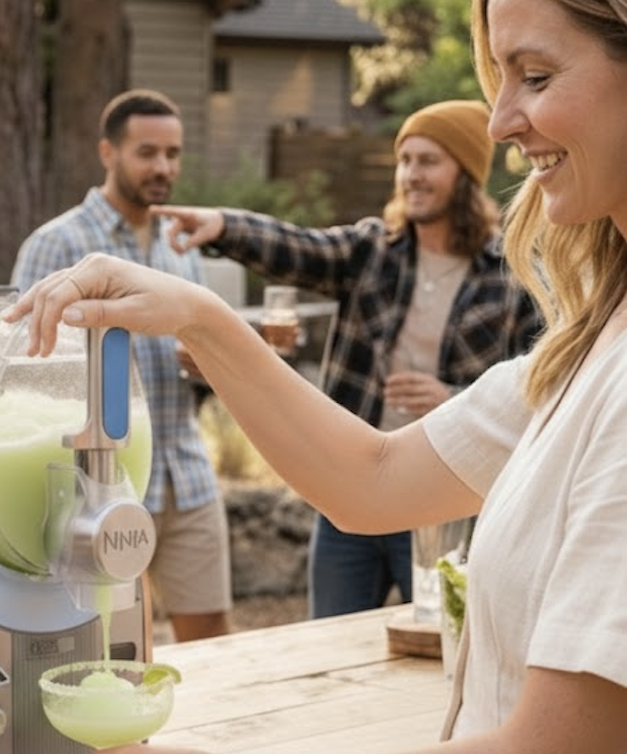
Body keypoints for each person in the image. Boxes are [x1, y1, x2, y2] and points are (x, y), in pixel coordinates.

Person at [6, 0, 627, 754]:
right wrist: (195, 316)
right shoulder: (588, 342)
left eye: (534, 75)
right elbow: (373, 480)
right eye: (498, 78)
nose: (501, 122)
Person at [152, 99, 541, 617]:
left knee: (439, 645)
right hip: (350, 490)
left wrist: (452, 399)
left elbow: (536, 384)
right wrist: (223, 226)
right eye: (405, 161)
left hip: (441, 503)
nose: (411, 175)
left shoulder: (510, 274)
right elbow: (299, 248)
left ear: (466, 174)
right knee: (328, 639)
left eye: (428, 161)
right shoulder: (372, 250)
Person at [11, 89, 232, 643]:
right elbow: (22, 368)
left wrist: (208, 364)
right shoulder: (56, 243)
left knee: (216, 639)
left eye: (173, 154)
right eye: (148, 152)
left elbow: (199, 357)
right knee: (112, 644)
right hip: (99, 488)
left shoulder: (181, 248)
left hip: (187, 477)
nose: (163, 168)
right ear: (108, 152)